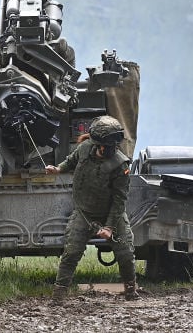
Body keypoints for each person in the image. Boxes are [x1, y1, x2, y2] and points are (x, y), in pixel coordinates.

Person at [44, 115, 138, 301]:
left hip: (112, 215)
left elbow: (120, 200)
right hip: (84, 212)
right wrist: (58, 169)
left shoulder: (121, 165)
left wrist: (109, 227)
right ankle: (58, 296)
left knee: (126, 254)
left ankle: (131, 292)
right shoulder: (85, 148)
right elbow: (71, 160)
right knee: (71, 253)